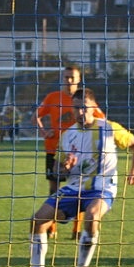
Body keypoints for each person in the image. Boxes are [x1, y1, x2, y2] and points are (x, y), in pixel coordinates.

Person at [21, 88, 134, 267]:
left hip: (102, 188)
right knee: (38, 220)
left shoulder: (109, 128)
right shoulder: (68, 135)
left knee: (92, 216)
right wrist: (64, 167)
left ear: (93, 108)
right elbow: (57, 170)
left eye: (84, 108)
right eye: (76, 108)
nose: (80, 112)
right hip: (73, 188)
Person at [35, 66, 105, 239]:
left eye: (72, 77)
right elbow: (36, 115)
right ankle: (51, 226)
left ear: (78, 79)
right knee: (54, 187)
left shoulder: (84, 100)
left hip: (80, 152)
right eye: (66, 77)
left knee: (81, 189)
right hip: (54, 148)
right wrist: (44, 132)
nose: (69, 81)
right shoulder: (52, 97)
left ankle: (77, 229)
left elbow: (102, 119)